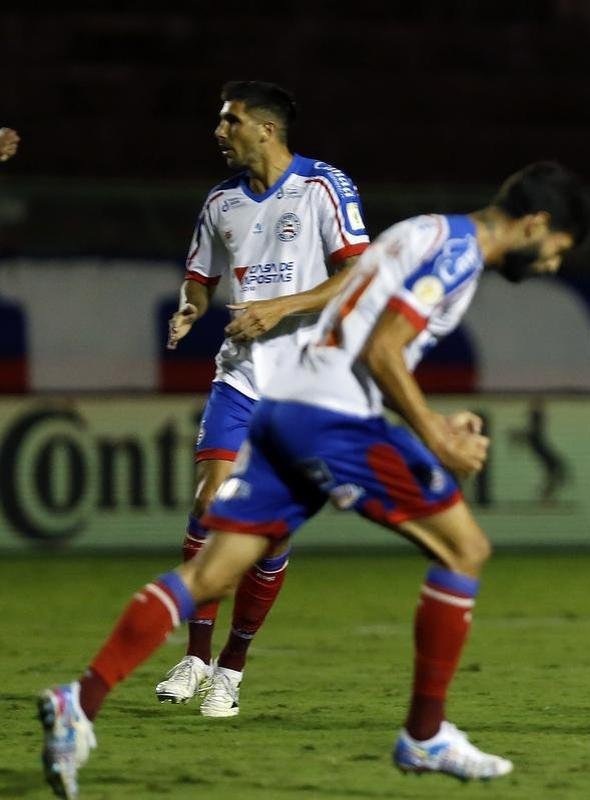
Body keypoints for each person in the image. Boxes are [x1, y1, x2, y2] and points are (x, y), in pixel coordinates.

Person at [38, 161, 587, 796]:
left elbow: (364, 329)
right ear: (536, 224)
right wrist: (433, 434)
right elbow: (382, 349)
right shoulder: (461, 254)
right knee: (466, 549)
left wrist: (429, 415)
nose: (552, 264)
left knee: (209, 575)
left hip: (286, 403)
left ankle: (79, 700)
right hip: (333, 418)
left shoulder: (425, 230)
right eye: (558, 251)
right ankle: (425, 734)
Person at [157, 80, 370, 717]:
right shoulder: (221, 200)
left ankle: (232, 668)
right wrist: (189, 311)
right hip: (242, 372)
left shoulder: (324, 186)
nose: (219, 132)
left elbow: (359, 271)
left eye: (229, 122)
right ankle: (196, 654)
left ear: (265, 129)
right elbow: (200, 278)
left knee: (270, 531)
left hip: (306, 384)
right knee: (210, 500)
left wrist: (281, 306)